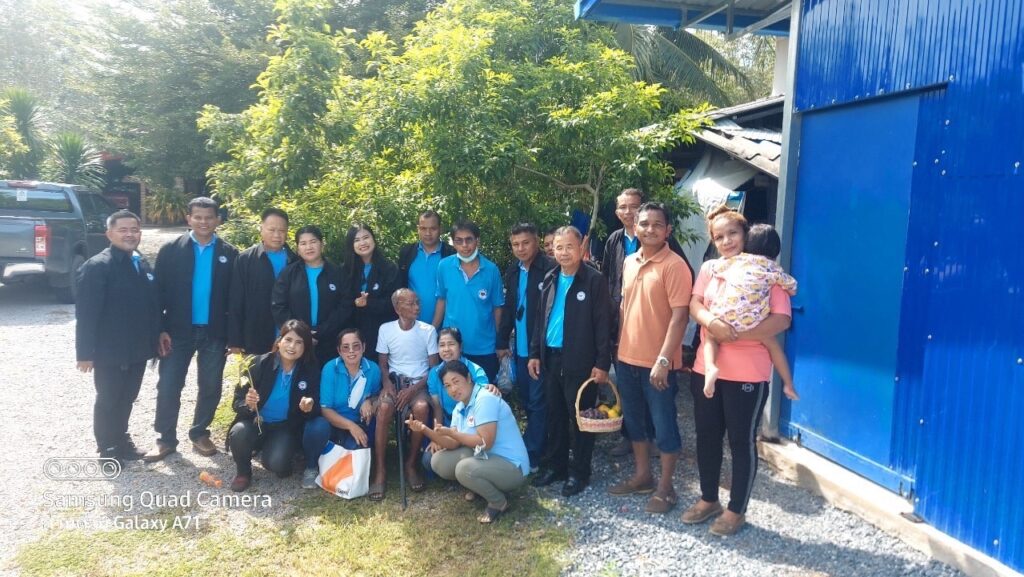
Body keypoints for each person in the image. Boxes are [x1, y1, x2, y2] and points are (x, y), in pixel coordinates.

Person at [684, 207, 793, 536]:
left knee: (740, 441)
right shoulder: (711, 268)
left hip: (748, 372)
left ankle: (736, 510)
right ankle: (708, 499)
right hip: (707, 367)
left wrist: (736, 334)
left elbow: (781, 320)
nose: (727, 241)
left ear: (746, 234)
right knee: (706, 435)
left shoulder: (765, 272)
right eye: (719, 237)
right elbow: (695, 304)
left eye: (733, 233)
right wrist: (713, 323)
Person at [607, 202, 692, 515]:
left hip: (658, 364)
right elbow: (624, 307)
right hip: (627, 358)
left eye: (657, 224)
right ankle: (643, 476)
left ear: (668, 230)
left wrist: (664, 360)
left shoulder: (675, 265)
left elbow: (680, 317)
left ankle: (666, 488)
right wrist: (618, 347)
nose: (650, 229)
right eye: (644, 224)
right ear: (635, 226)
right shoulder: (630, 262)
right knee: (634, 422)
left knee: (664, 424)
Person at [145, 197, 238, 462]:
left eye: (209, 217)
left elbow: (235, 299)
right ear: (188, 219)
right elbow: (157, 294)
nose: (203, 222)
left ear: (218, 220)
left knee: (210, 385)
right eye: (198, 217)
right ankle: (165, 439)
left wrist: (233, 336)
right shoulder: (171, 250)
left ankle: (199, 432)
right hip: (177, 331)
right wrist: (160, 329)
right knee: (169, 385)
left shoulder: (230, 253)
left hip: (215, 332)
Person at [528, 226, 612, 497]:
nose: (564, 252)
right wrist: (534, 353)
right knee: (555, 415)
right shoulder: (550, 277)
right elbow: (539, 319)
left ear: (581, 248)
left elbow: (603, 324)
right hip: (551, 358)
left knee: (581, 419)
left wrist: (602, 363)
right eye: (558, 247)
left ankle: (580, 473)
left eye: (569, 247)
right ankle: (557, 466)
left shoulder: (594, 280)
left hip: (581, 361)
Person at [75, 210, 161, 464]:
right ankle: (107, 448)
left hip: (138, 348)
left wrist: (159, 333)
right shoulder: (97, 267)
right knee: (109, 399)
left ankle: (121, 440)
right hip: (110, 349)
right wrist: (84, 353)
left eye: (134, 230)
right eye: (123, 230)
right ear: (109, 234)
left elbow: (153, 305)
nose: (130, 234)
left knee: (127, 397)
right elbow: (86, 314)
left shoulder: (140, 262)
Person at [407, 361, 530, 524]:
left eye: (456, 382)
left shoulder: (484, 399)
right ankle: (480, 486)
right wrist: (424, 429)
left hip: (513, 467)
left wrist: (454, 433)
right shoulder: (460, 407)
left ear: (469, 378)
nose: (453, 389)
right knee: (438, 461)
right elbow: (452, 443)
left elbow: (485, 442)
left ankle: (498, 502)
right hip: (488, 458)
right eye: (447, 385)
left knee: (464, 469)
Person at [702, 223, 799, 401]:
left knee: (711, 337)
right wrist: (791, 289)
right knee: (773, 346)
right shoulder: (773, 269)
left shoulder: (734, 262)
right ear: (776, 251)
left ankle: (710, 367)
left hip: (723, 316)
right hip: (753, 321)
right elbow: (791, 285)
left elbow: (717, 270)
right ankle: (788, 384)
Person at [227, 319, 321, 491]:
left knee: (277, 464)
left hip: (284, 427)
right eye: (288, 340)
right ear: (279, 341)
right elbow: (237, 402)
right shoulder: (258, 364)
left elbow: (316, 406)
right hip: (255, 422)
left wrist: (308, 407)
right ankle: (243, 472)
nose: (292, 346)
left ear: (305, 347)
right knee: (239, 432)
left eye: (299, 342)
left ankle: (277, 453)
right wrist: (248, 404)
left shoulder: (310, 371)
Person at [496, 222, 555, 470]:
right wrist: (501, 341)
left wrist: (537, 351)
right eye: (515, 244)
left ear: (537, 241)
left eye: (526, 243)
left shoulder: (551, 268)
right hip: (519, 348)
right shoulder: (513, 270)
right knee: (527, 399)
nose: (520, 248)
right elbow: (510, 308)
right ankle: (538, 445)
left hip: (540, 351)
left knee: (539, 400)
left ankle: (533, 454)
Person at [374, 288, 440, 499]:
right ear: (397, 308)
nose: (416, 307)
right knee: (384, 408)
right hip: (395, 382)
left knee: (421, 408)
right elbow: (383, 364)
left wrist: (413, 390)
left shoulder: (428, 330)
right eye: (410, 304)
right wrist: (387, 383)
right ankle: (380, 470)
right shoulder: (386, 329)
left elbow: (433, 369)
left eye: (417, 302)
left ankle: (411, 464)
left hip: (419, 384)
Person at [301, 329, 382, 490]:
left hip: (358, 424)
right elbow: (325, 409)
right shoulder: (330, 368)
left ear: (364, 347)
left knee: (356, 454)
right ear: (339, 350)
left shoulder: (373, 369)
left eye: (356, 346)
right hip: (332, 423)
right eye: (345, 347)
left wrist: (369, 401)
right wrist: (351, 426)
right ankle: (311, 467)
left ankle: (333, 466)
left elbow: (376, 395)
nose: (351, 351)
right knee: (317, 427)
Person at [433, 220, 505, 381]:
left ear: (477, 240)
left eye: (469, 239)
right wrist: (432, 330)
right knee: (454, 390)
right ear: (453, 243)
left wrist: (500, 342)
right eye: (459, 241)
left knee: (484, 391)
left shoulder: (491, 269)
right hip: (453, 346)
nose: (464, 245)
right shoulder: (444, 266)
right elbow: (441, 300)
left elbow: (497, 308)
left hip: (484, 346)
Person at [272, 225, 351, 366]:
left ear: (322, 244)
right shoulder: (289, 274)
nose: (308, 247)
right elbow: (278, 305)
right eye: (303, 243)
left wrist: (321, 331)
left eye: (313, 242)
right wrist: (300, 332)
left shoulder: (337, 273)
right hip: (296, 341)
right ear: (298, 249)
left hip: (330, 340)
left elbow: (345, 306)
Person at [228, 208, 297, 356]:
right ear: (261, 229)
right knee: (256, 371)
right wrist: (235, 340)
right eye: (272, 230)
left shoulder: (295, 261)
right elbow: (236, 300)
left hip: (291, 336)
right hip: (255, 335)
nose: (277, 235)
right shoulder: (245, 259)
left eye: (282, 230)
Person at [342, 223, 399, 355]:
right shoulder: (345, 270)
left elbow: (394, 302)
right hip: (352, 334)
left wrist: (368, 303)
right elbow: (340, 302)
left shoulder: (389, 268)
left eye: (366, 237)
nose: (362, 243)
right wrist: (355, 303)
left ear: (373, 239)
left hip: (382, 332)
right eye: (357, 240)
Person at [398, 210, 454, 324]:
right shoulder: (407, 253)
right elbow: (401, 287)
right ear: (418, 229)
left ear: (440, 229)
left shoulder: (451, 254)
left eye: (433, 228)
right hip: (412, 325)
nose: (428, 233)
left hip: (445, 326)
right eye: (423, 228)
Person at [426, 328, 490, 426]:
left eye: (451, 344)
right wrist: (438, 431)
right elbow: (437, 407)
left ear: (460, 346)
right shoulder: (434, 373)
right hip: (448, 424)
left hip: (474, 423)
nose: (446, 349)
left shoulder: (476, 371)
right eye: (442, 345)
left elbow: (483, 401)